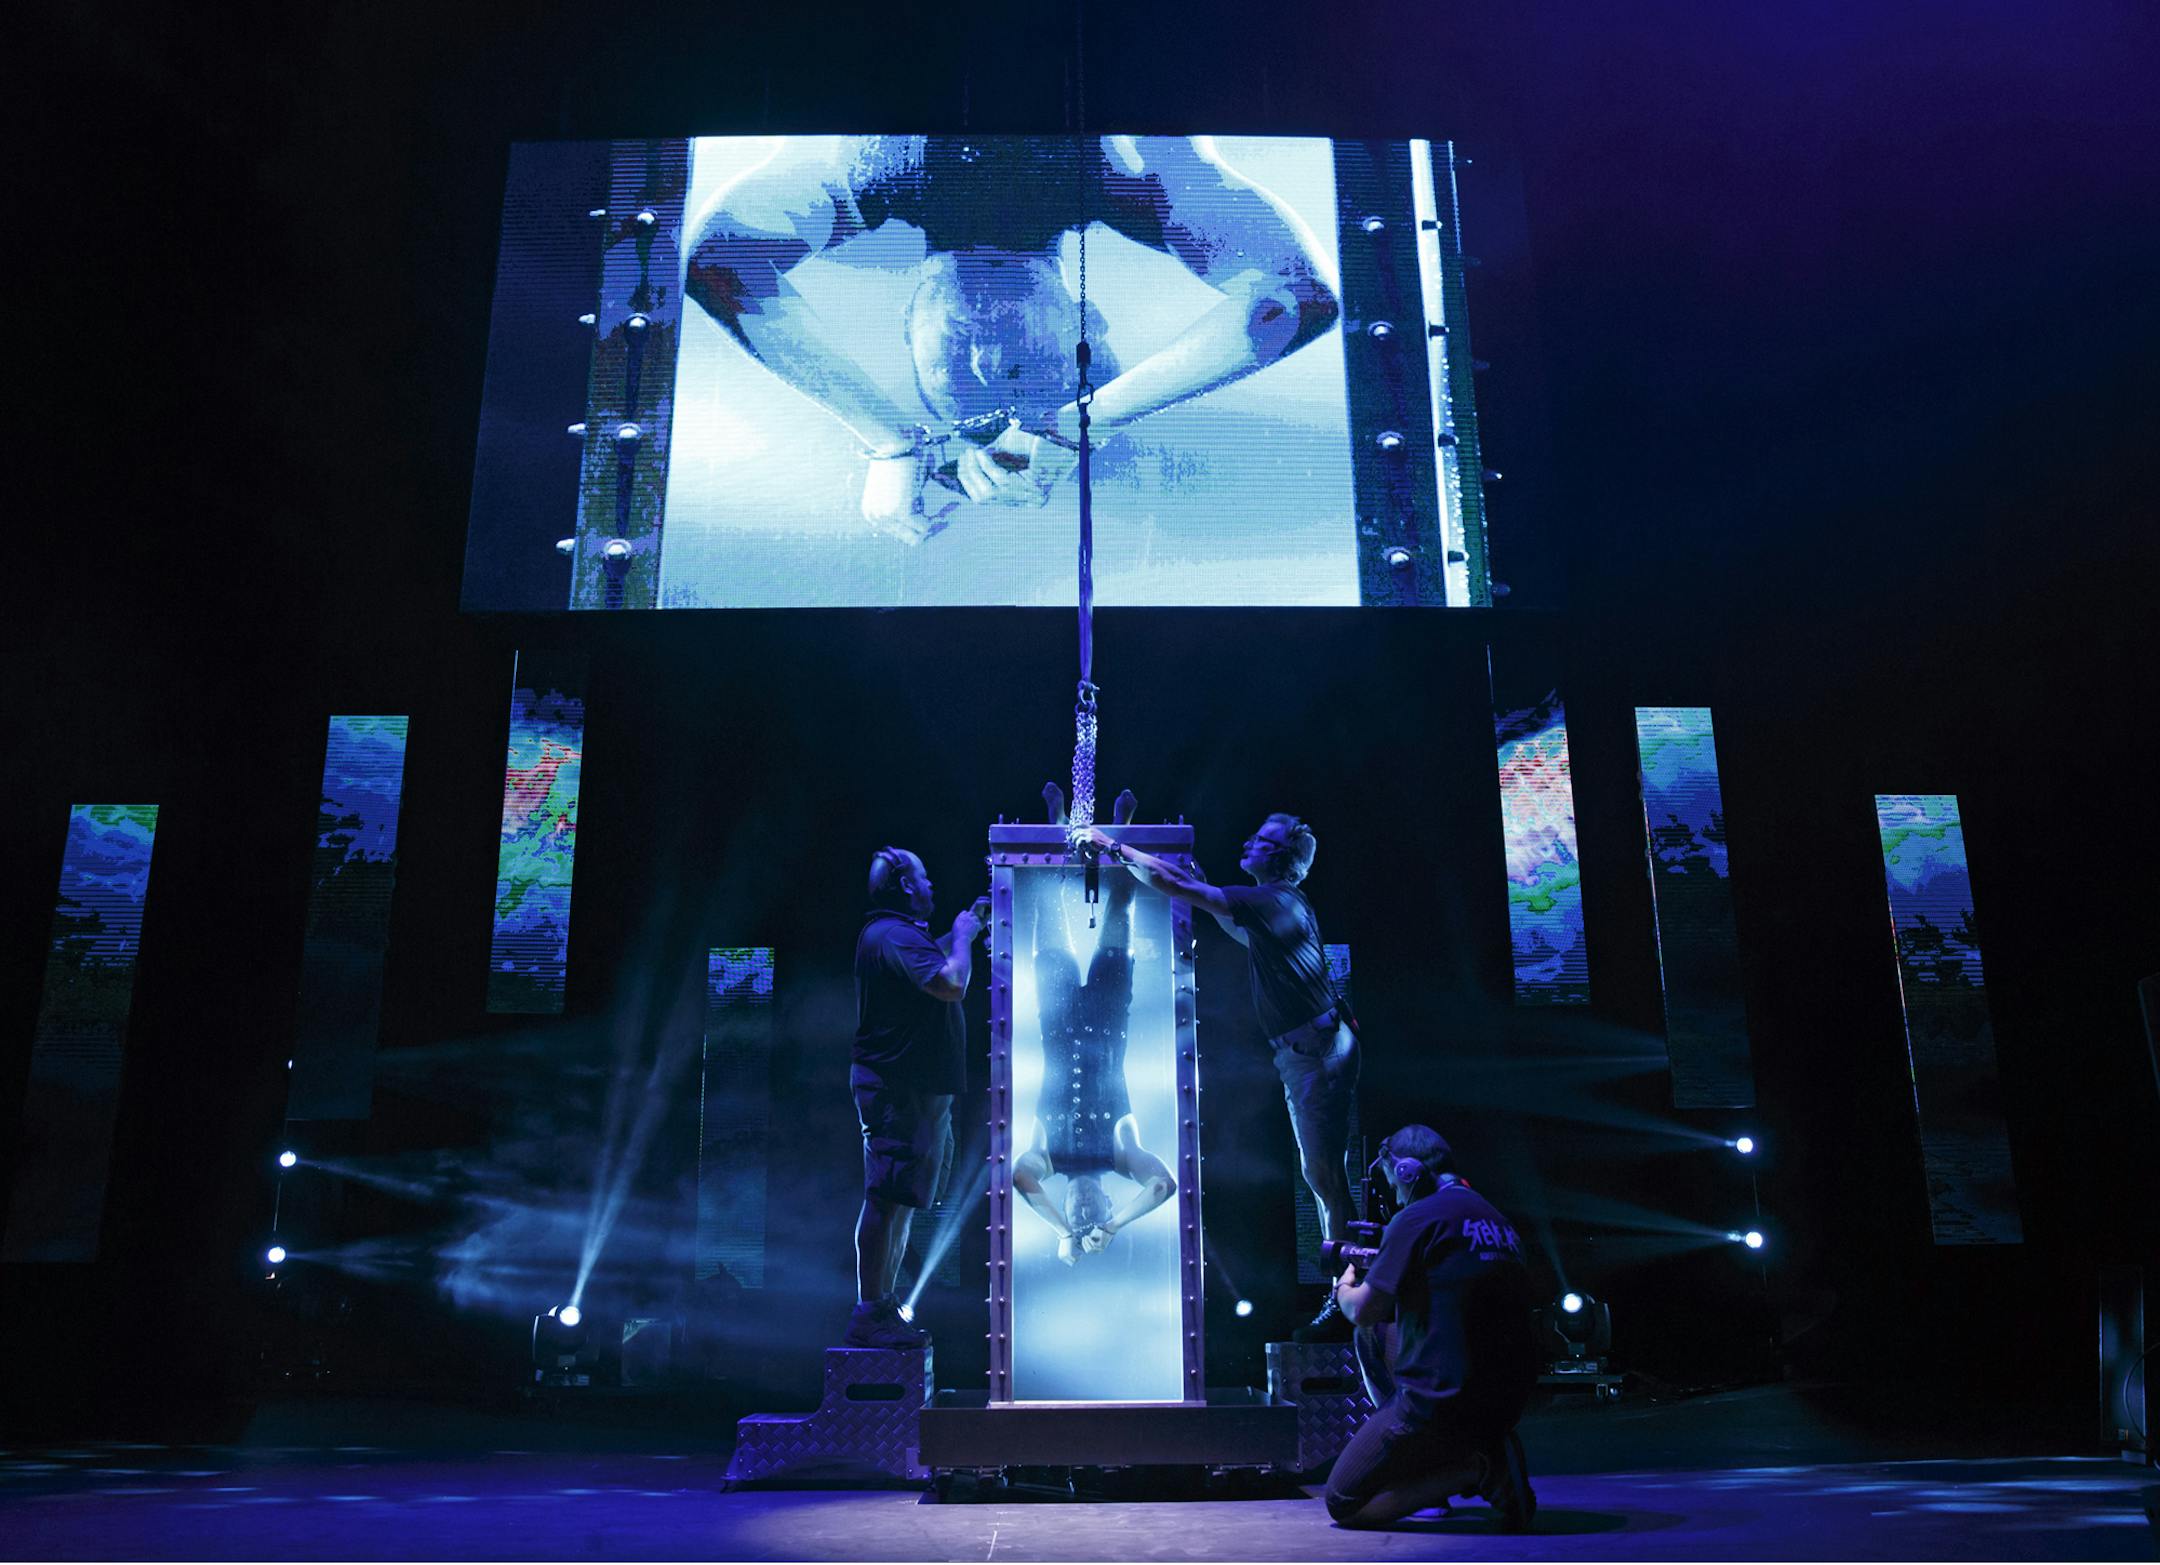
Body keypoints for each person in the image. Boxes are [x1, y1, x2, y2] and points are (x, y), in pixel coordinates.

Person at [685, 135, 1341, 543]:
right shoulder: (1130, 173)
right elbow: (1292, 299)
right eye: (1021, 378)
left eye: (957, 382)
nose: (985, 358)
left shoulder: (859, 175)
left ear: (909, 322)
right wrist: (1078, 423)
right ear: (1086, 323)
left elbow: (717, 265)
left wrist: (891, 440)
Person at [1089, 812, 1359, 1339]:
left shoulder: (1274, 900)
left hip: (1317, 1050)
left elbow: (1176, 886)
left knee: (1326, 1177)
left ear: (1278, 859)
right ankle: (1349, 1288)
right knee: (1323, 1175)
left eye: (1260, 840)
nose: (1248, 841)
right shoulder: (1269, 908)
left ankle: (1348, 1295)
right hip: (1310, 1047)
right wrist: (1195, 881)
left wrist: (1112, 846)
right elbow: (1225, 918)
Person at [1323, 1125, 1538, 1531]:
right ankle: (1480, 1446)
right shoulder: (1498, 1220)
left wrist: (1343, 1286)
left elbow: (1364, 1311)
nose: (1395, 1196)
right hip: (1506, 1401)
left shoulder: (1416, 1217)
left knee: (1343, 1502)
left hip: (1438, 1402)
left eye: (1394, 1184)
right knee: (1384, 1336)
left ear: (1408, 1172)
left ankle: (1474, 1469)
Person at [1013, 788, 1176, 1262]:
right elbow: (1162, 1183)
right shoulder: (1121, 1154)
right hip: (1109, 1015)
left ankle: (1059, 822)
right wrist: (1113, 1227)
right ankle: (1118, 830)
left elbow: (1021, 1179)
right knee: (1121, 903)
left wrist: (1064, 1233)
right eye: (1093, 1212)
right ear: (1106, 1201)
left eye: (1075, 1212)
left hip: (1057, 1012)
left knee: (1051, 905)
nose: (1083, 1208)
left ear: (1064, 1203)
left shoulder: (1048, 1158)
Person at [847, 845, 986, 1349]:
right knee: (886, 1198)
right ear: (906, 886)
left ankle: (882, 1307)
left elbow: (935, 962)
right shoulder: (894, 935)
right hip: (898, 1091)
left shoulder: (897, 937)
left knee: (902, 1200)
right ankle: (869, 1310)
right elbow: (951, 982)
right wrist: (966, 938)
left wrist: (967, 929)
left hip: (915, 1091)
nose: (931, 886)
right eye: (924, 878)